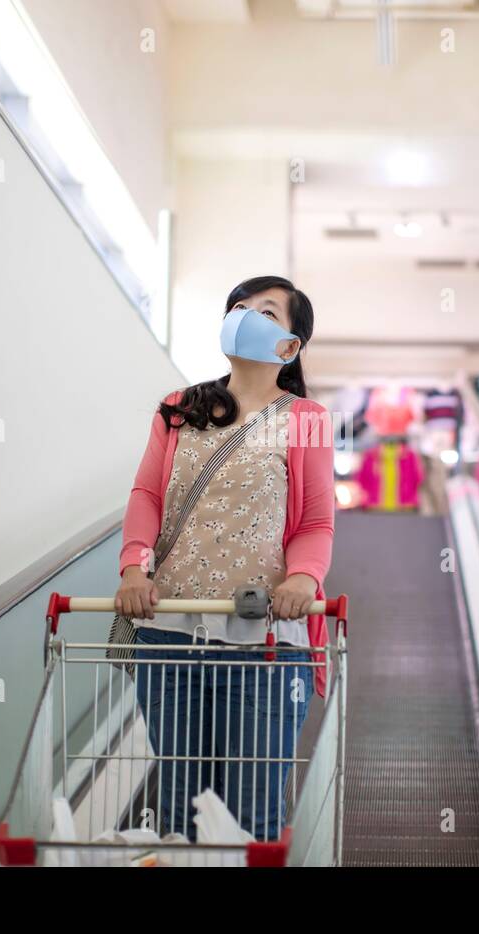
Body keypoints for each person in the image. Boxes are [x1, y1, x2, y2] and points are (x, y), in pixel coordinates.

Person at [114, 276, 335, 841]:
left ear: (290, 346)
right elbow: (147, 497)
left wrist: (305, 578)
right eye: (238, 306)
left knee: (250, 813)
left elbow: (313, 522)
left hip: (262, 639)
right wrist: (134, 567)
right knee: (182, 812)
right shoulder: (179, 408)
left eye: (265, 310)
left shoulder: (304, 419)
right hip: (170, 633)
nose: (244, 315)